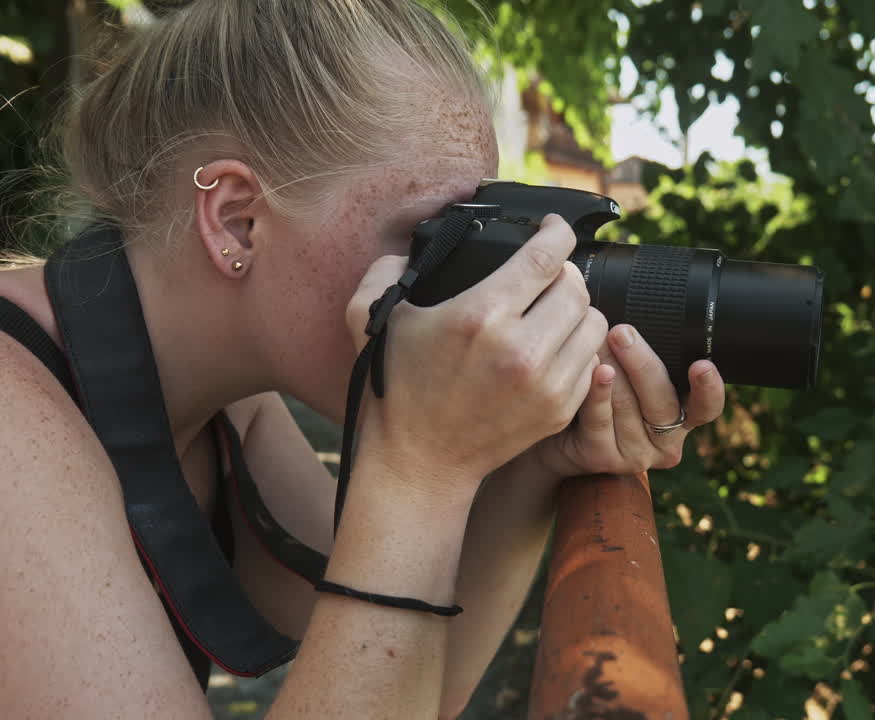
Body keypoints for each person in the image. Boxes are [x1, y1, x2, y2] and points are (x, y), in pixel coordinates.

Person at [0, 1, 725, 718]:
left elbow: (395, 682)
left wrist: (534, 465)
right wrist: (418, 472)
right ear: (236, 221)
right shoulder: (13, 424)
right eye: (429, 237)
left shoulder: (229, 397)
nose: (477, 290)